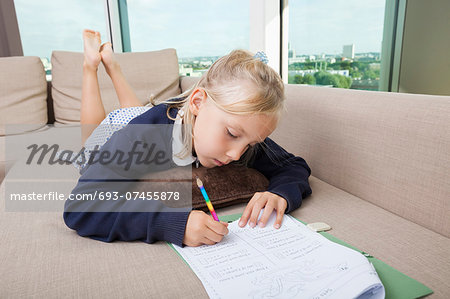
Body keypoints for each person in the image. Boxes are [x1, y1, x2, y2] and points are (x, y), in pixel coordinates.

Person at [63, 29, 312, 247]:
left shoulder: (244, 131)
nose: (238, 154)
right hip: (115, 128)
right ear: (197, 102)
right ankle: (92, 65)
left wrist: (280, 193)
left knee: (137, 111)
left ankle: (114, 68)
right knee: (93, 136)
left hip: (154, 115)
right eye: (232, 134)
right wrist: (175, 223)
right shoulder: (140, 137)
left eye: (251, 144)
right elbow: (81, 206)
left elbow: (293, 165)